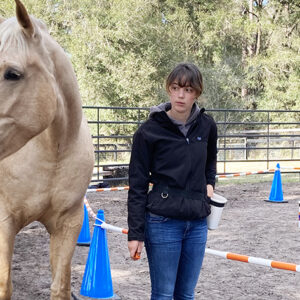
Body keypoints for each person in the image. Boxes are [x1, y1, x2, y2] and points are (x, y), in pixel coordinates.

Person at [127, 62, 218, 300]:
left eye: (188, 89)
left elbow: (211, 160)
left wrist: (210, 183)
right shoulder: (148, 132)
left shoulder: (207, 126)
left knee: (186, 295)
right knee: (164, 294)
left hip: (197, 223)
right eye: (176, 87)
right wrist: (135, 234)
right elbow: (137, 186)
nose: (181, 95)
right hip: (162, 222)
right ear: (168, 88)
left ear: (197, 93)